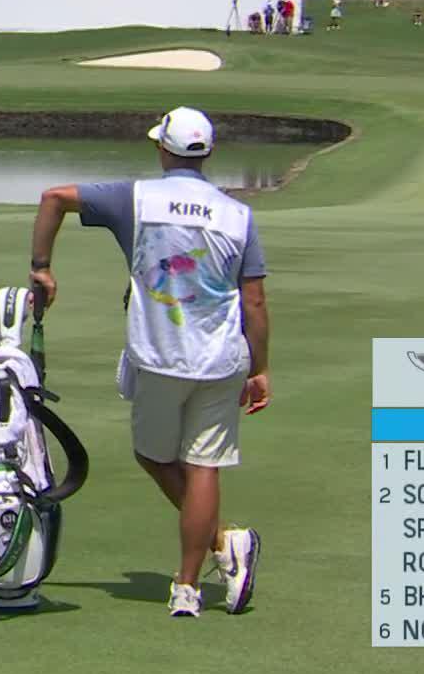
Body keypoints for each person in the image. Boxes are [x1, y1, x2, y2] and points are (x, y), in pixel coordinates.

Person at [28, 107, 271, 618]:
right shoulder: (237, 214)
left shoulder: (135, 198)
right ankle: (196, 576)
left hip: (159, 354)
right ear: (208, 154)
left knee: (156, 458)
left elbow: (53, 198)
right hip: (221, 358)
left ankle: (215, 555)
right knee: (203, 465)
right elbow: (254, 302)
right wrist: (259, 369)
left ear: (163, 150)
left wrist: (42, 268)